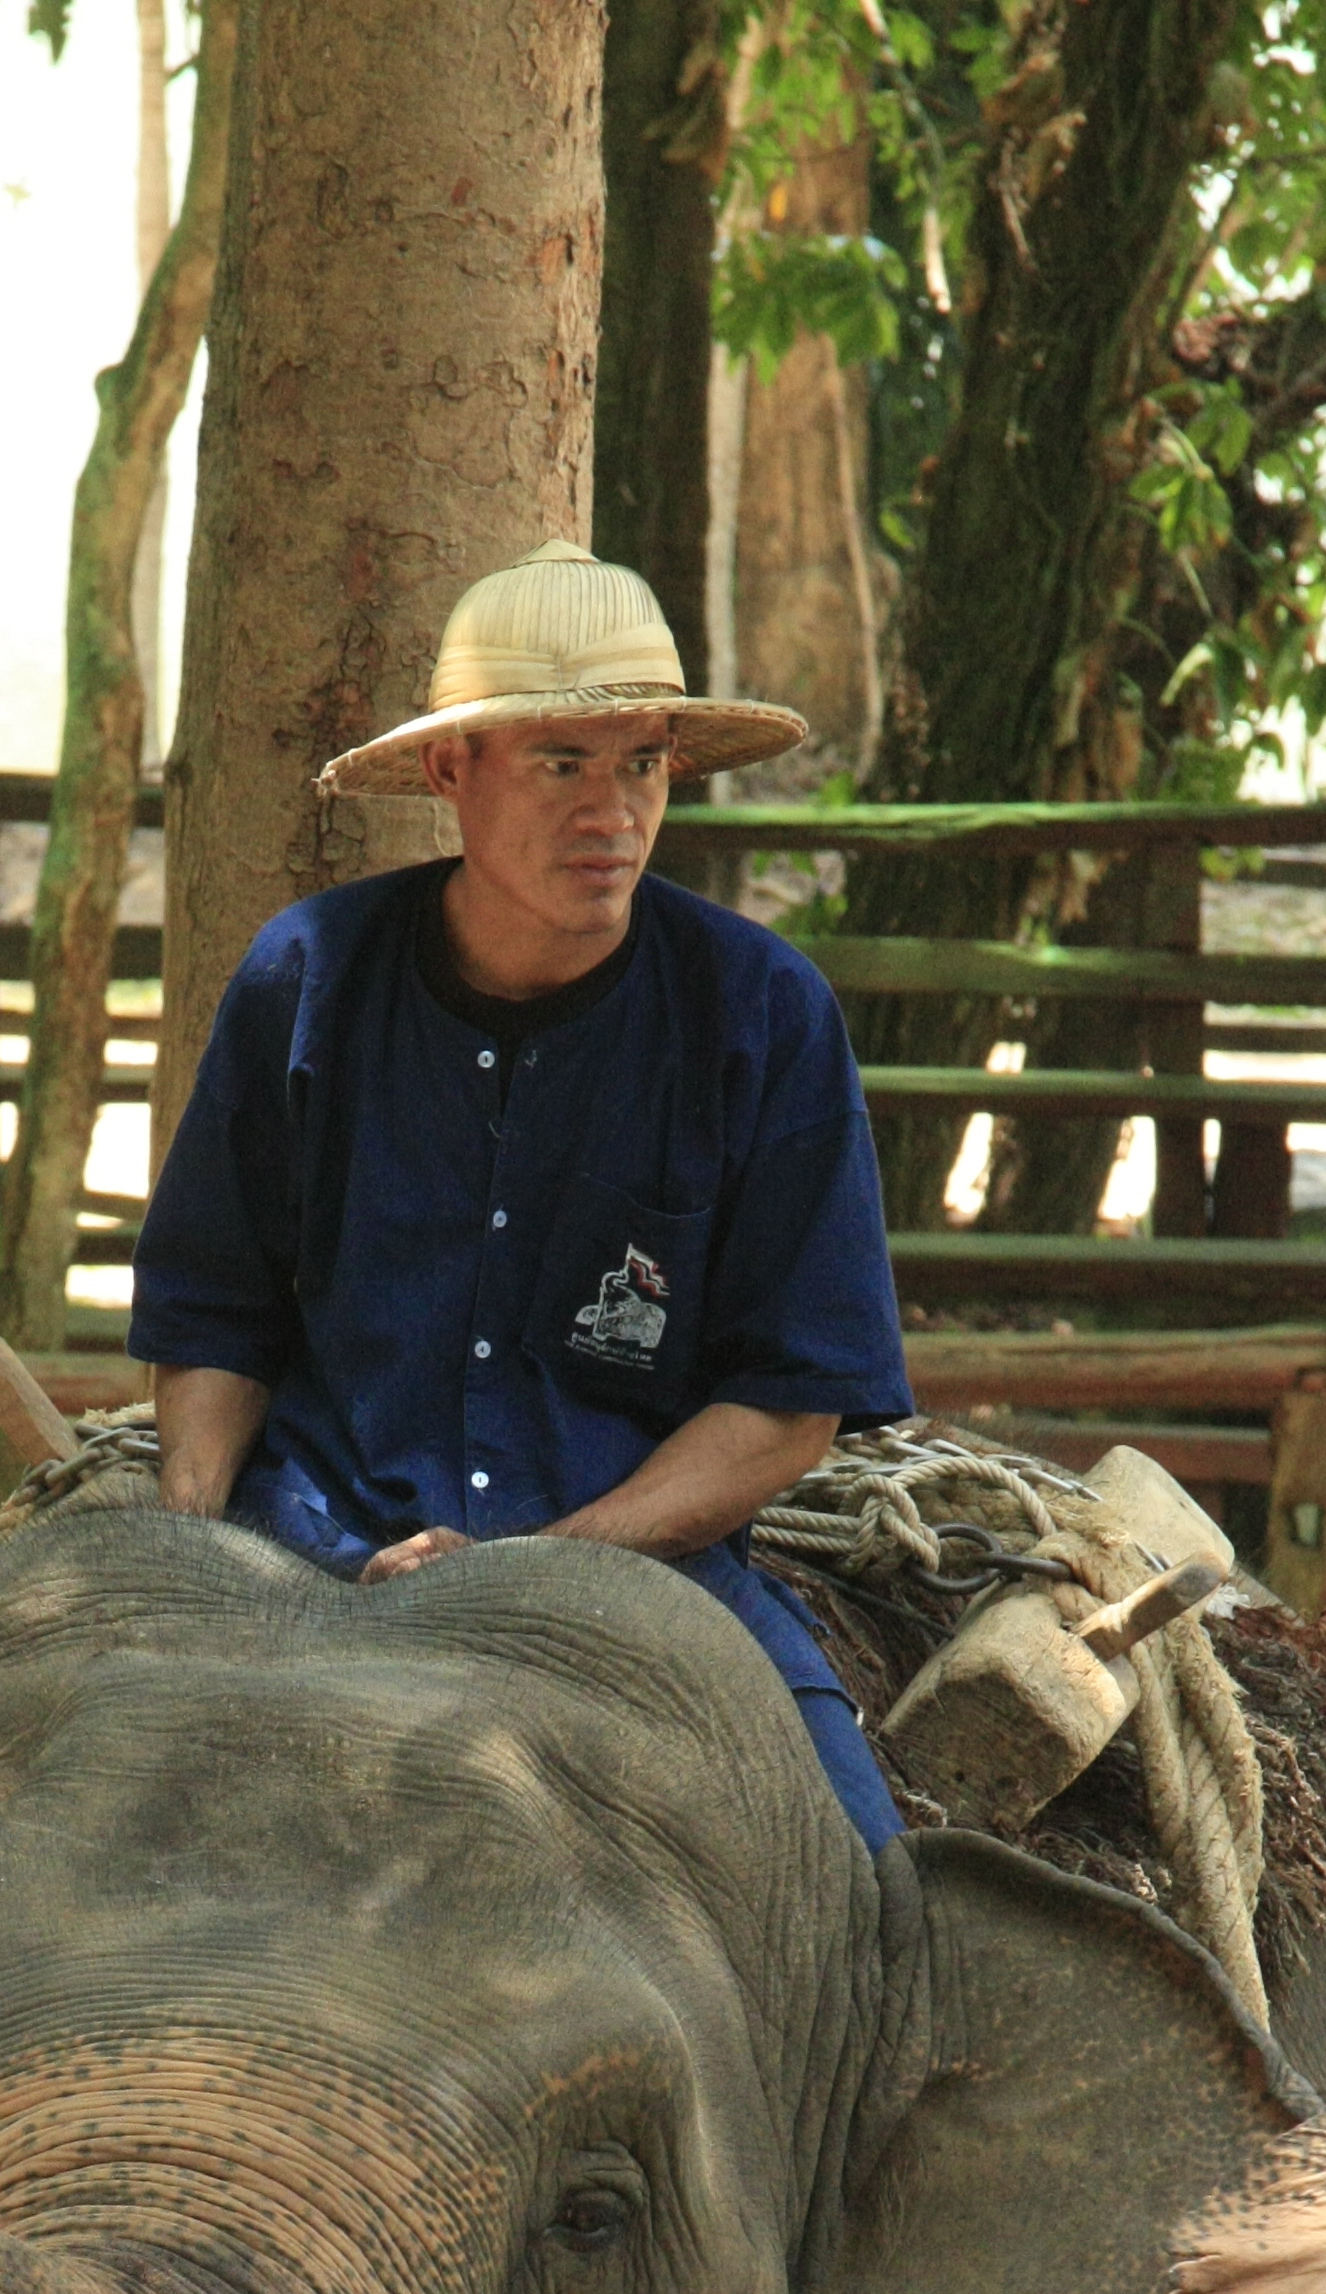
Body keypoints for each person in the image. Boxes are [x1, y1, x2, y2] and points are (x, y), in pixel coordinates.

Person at [127, 537, 911, 1853]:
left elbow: (789, 1402)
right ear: (452, 771)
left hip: (639, 1577)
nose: (610, 811)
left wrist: (544, 1565)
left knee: (867, 1889)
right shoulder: (306, 978)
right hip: (310, 1549)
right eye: (561, 763)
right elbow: (214, 1313)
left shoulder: (762, 1014)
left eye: (642, 764)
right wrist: (188, 1550)